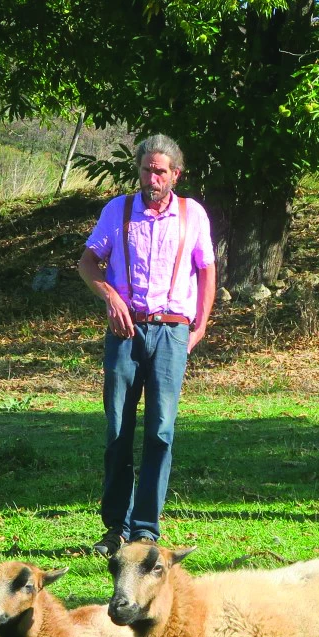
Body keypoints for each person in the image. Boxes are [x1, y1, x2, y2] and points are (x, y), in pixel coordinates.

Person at [79, 135, 215, 556]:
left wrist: (200, 326)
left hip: (172, 331)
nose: (151, 178)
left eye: (160, 171)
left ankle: (145, 530)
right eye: (146, 169)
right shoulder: (117, 211)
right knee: (118, 429)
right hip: (125, 332)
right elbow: (87, 263)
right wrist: (113, 300)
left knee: (161, 431)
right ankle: (114, 528)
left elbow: (207, 270)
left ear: (176, 174)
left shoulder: (193, 215)